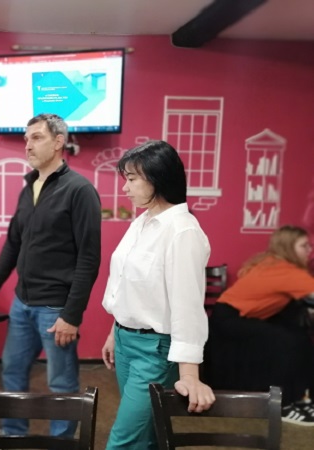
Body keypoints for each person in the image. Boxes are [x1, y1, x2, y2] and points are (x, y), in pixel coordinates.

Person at [0, 113, 102, 438]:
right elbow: (13, 244)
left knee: (62, 383)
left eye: (36, 137)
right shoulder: (28, 188)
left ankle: (63, 443)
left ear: (58, 142)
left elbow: (89, 259)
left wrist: (72, 315)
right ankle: (14, 432)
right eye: (26, 139)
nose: (28, 145)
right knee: (12, 372)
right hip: (22, 304)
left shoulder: (80, 190)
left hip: (56, 309)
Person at [101, 140, 215, 449]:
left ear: (158, 178)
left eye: (132, 179)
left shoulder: (182, 231)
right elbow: (128, 286)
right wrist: (115, 331)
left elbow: (188, 307)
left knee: (123, 442)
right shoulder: (143, 221)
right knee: (148, 435)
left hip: (154, 351)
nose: (125, 188)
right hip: (126, 342)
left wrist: (189, 375)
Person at [207, 225, 314, 425]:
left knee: (297, 337)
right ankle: (283, 406)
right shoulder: (286, 271)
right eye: (304, 246)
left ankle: (300, 399)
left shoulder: (273, 263)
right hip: (230, 320)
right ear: (288, 247)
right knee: (288, 342)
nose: (309, 250)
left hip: (230, 316)